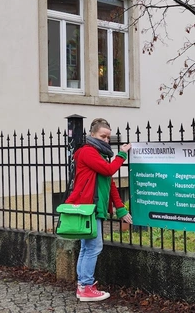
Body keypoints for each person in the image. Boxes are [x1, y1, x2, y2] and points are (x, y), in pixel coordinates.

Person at [65, 118, 133, 302]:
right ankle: (85, 287)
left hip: (94, 207)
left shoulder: (99, 155)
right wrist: (122, 154)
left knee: (87, 248)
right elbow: (110, 170)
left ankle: (83, 286)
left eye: (108, 137)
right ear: (92, 135)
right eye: (103, 136)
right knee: (94, 247)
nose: (106, 140)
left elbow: (110, 184)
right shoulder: (88, 152)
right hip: (89, 207)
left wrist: (121, 210)